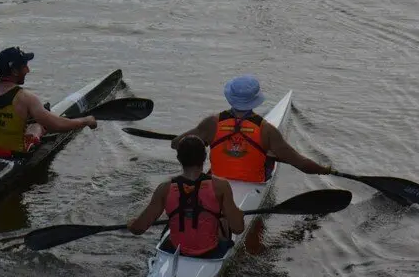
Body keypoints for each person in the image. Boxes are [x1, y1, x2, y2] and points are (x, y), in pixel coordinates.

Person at [170, 75, 332, 183]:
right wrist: (324, 170)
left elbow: (177, 143)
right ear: (256, 100)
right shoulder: (267, 130)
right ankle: (266, 155)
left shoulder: (211, 123)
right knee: (268, 155)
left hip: (215, 184)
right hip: (252, 186)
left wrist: (204, 142)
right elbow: (302, 164)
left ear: (230, 97)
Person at [127, 135, 245, 257]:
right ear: (204, 157)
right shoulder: (221, 186)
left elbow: (138, 229)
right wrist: (238, 215)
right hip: (211, 251)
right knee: (224, 219)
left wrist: (131, 223)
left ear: (179, 158)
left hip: (176, 250)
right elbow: (238, 228)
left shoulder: (164, 188)